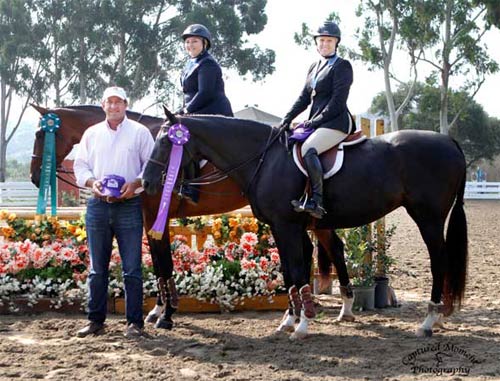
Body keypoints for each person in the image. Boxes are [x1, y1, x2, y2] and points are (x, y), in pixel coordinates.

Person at [74, 86, 155, 338]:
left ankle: (134, 324)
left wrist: (136, 184)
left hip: (129, 206)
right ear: (102, 105)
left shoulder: (140, 133)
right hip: (97, 206)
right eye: (109, 102)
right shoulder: (91, 133)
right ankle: (95, 321)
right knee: (98, 269)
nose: (113, 106)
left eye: (118, 102)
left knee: (132, 268)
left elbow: (151, 167)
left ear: (126, 104)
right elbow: (81, 165)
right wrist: (91, 183)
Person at [281, 21, 355, 219]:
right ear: (316, 43)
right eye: (321, 40)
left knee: (308, 149)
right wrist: (286, 119)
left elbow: (337, 102)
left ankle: (317, 201)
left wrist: (314, 122)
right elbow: (304, 98)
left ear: (336, 43)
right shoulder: (315, 66)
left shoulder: (342, 66)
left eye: (329, 41)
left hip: (336, 122)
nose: (324, 44)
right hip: (317, 122)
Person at [176, 23, 234, 203]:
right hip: (197, 112)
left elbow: (205, 93)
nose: (190, 45)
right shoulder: (189, 64)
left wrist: (186, 111)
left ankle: (192, 188)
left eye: (194, 41)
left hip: (213, 114)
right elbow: (189, 95)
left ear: (204, 43)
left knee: (187, 140)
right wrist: (181, 110)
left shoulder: (208, 64)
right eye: (187, 42)